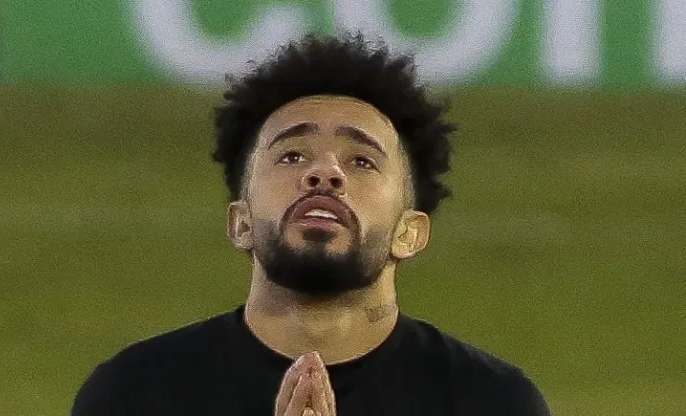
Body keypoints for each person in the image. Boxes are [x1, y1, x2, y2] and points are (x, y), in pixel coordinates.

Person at [71, 32, 550, 416]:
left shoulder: (491, 401)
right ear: (240, 223)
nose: (325, 173)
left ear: (410, 232)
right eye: (292, 154)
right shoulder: (133, 395)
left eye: (362, 161)